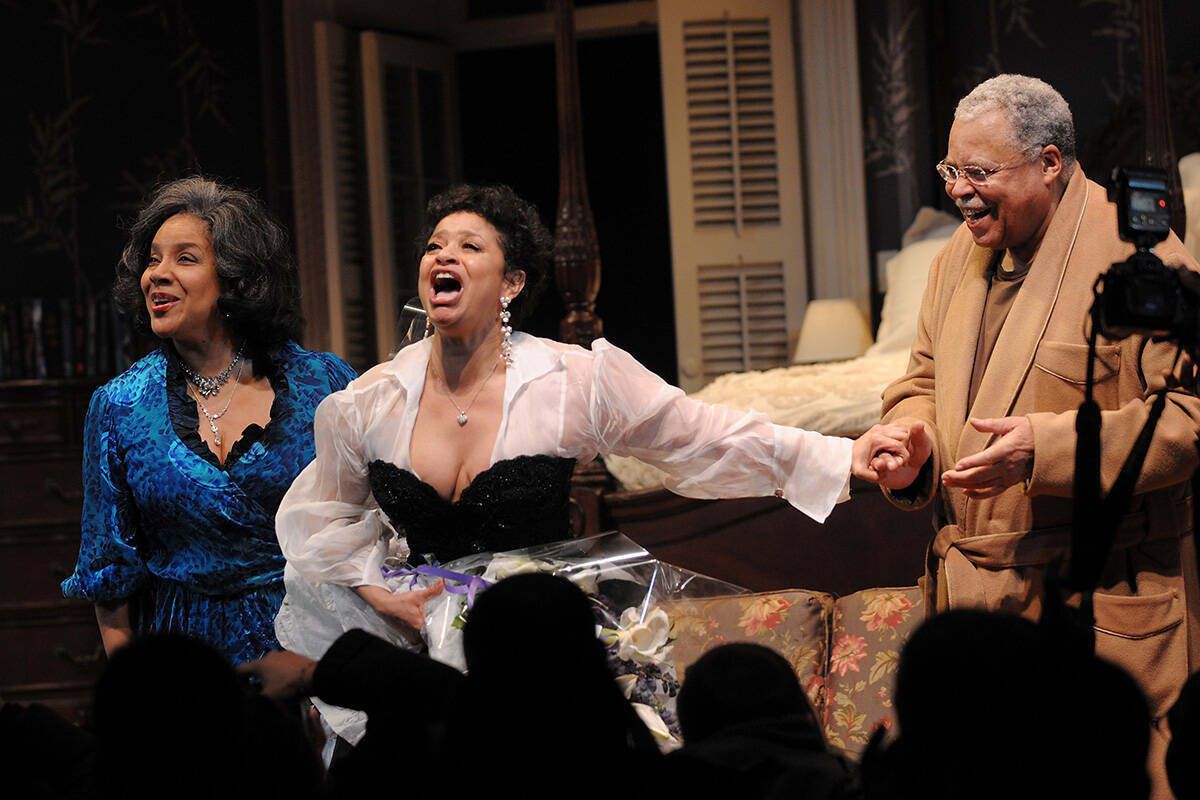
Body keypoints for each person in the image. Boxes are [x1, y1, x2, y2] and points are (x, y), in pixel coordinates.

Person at [274, 183, 899, 737]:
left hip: (544, 653)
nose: (444, 257)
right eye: (435, 246)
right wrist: (379, 592)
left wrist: (842, 454)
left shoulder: (570, 380)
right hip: (420, 652)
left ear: (511, 283)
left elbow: (701, 433)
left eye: (469, 247)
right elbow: (319, 514)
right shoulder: (373, 400)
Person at [851, 74, 1200, 795]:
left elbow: (1191, 414)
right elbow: (920, 379)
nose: (959, 191)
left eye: (979, 173)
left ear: (1049, 162)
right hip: (976, 622)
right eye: (950, 171)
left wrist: (1049, 448)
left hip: (1096, 613)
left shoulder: (1142, 257)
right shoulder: (956, 258)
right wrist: (912, 438)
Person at [61, 177, 357, 665]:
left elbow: (368, 528)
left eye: (184, 258)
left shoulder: (323, 383)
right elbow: (109, 578)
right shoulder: (120, 406)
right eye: (152, 259)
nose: (157, 274)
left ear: (235, 276)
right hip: (182, 667)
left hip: (309, 653)